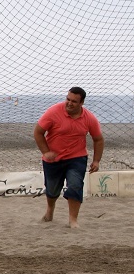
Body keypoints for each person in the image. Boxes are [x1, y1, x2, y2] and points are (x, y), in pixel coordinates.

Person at [33, 87, 103, 228]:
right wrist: (46, 152)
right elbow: (38, 132)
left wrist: (96, 160)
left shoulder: (89, 118)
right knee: (52, 190)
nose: (69, 103)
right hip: (53, 159)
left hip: (77, 158)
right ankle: (50, 210)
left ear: (82, 103)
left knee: (75, 186)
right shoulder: (53, 112)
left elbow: (98, 139)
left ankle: (73, 220)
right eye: (68, 99)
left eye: (74, 101)